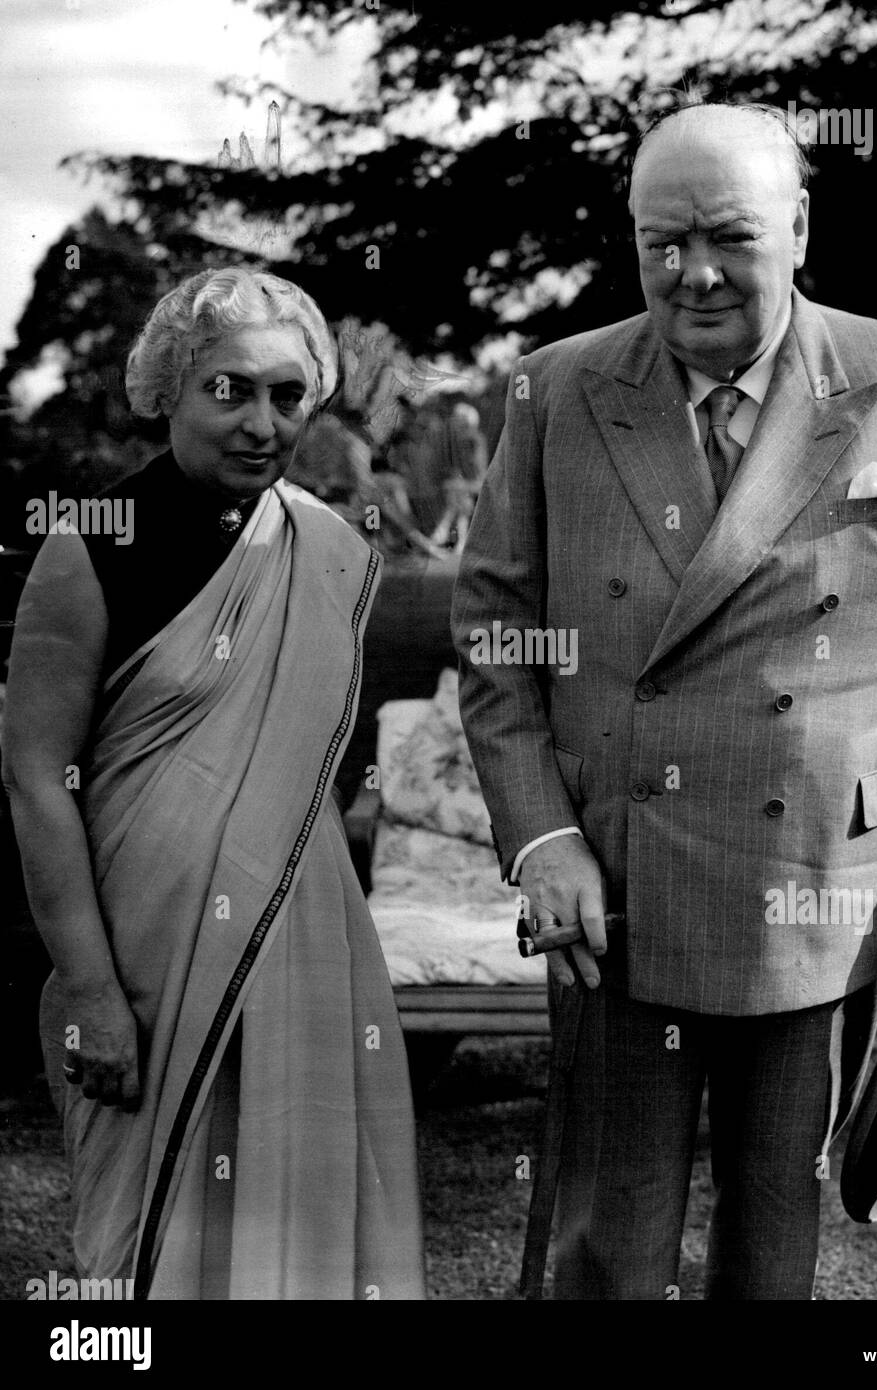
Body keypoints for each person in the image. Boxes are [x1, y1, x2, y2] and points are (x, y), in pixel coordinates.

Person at [451, 102, 877, 1299]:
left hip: (821, 888)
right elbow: (495, 643)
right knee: (608, 1242)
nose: (693, 273)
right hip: (615, 889)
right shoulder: (553, 392)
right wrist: (541, 840)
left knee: (775, 1235)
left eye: (729, 237)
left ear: (800, 228)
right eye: (661, 242)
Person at [1, 268, 425, 1300]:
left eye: (289, 395)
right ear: (170, 388)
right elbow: (32, 777)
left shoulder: (326, 548)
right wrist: (92, 991)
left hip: (300, 943)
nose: (262, 422)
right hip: (138, 963)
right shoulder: (93, 544)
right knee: (143, 1252)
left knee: (301, 1232)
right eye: (230, 390)